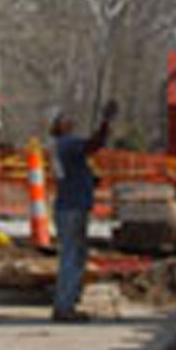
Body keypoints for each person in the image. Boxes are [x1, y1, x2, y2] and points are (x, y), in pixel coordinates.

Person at [49, 100, 118, 322]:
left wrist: (88, 179)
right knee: (72, 257)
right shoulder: (67, 144)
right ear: (58, 125)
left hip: (67, 205)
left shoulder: (59, 146)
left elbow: (77, 164)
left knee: (74, 255)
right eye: (66, 120)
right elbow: (93, 144)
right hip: (72, 207)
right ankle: (65, 306)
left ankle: (67, 302)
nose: (72, 122)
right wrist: (106, 122)